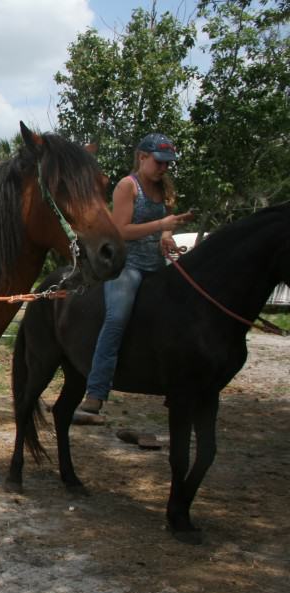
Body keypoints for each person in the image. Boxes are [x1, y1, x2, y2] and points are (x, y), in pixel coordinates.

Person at [78, 133, 196, 415]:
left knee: (187, 315)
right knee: (116, 319)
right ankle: (95, 391)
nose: (164, 168)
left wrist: (167, 234)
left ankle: (177, 384)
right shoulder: (127, 187)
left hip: (157, 264)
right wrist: (161, 225)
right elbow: (121, 231)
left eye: (168, 163)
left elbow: (167, 225)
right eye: (159, 162)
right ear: (142, 157)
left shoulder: (165, 188)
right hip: (127, 265)